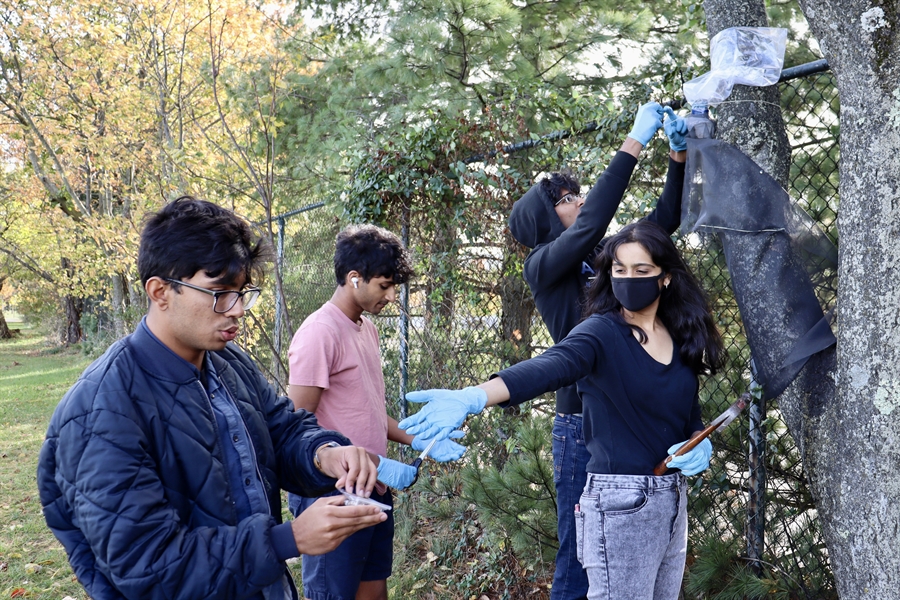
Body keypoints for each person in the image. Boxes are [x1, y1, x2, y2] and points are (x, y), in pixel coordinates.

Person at [37, 197, 388, 600]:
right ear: (160, 291)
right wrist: (284, 541)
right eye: (219, 293)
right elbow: (148, 564)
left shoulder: (227, 362)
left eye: (242, 293)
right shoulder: (101, 410)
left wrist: (323, 454)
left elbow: (279, 428)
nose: (237, 310)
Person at [400, 220, 725, 600]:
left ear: (665, 277)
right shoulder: (601, 332)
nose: (628, 279)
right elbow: (550, 366)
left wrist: (697, 441)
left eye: (641, 271)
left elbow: (689, 414)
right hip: (619, 504)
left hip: (671, 500)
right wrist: (475, 396)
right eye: (619, 270)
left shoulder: (679, 333)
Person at [504, 102, 688, 599]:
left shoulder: (592, 256)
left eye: (578, 193)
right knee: (579, 555)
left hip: (624, 416)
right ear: (546, 216)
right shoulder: (542, 266)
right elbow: (591, 224)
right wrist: (632, 144)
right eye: (567, 198)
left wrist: (677, 157)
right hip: (578, 423)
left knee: (622, 557)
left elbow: (660, 225)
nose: (579, 202)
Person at [286, 224, 465, 600]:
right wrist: (364, 461)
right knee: (333, 593)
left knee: (373, 590)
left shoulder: (365, 328)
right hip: (332, 495)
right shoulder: (319, 332)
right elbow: (296, 428)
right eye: (384, 285)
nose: (392, 295)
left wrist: (419, 438)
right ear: (354, 279)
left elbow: (365, 411)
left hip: (373, 488)